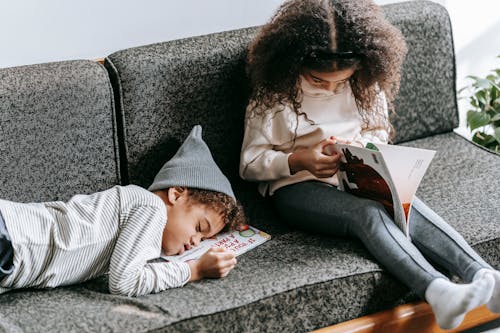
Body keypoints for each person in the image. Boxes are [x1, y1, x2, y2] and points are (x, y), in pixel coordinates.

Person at [239, 0, 499, 329]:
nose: (331, 88)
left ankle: (484, 275)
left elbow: (378, 132)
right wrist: (296, 159)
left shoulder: (364, 86)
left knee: (404, 202)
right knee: (368, 214)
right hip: (297, 188)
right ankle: (437, 290)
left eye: (341, 81)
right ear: (294, 63)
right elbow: (249, 164)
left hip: (355, 175)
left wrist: (359, 148)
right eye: (319, 81)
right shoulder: (273, 98)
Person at [0, 125, 244, 297]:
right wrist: (194, 270)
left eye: (203, 239)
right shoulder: (150, 207)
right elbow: (125, 283)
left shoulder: (142, 235)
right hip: (13, 236)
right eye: (200, 228)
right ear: (176, 194)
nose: (195, 241)